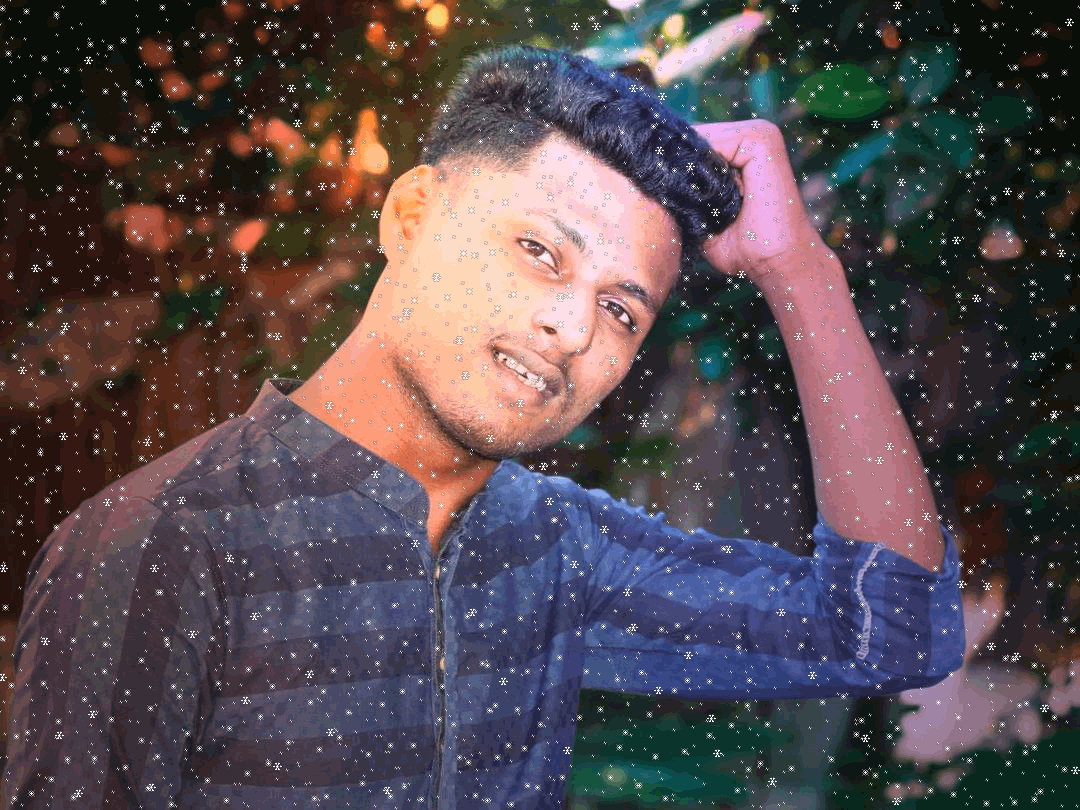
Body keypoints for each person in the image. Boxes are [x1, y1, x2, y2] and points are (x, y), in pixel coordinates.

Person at [3, 44, 964, 810]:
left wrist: (800, 273)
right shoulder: (163, 542)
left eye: (621, 309)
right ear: (412, 215)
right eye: (540, 251)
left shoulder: (556, 545)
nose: (574, 328)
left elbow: (891, 633)